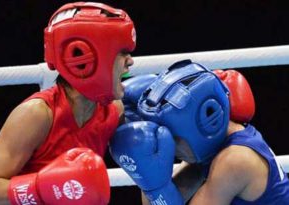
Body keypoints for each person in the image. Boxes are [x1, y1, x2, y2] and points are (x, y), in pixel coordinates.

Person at [0, 2, 136, 205]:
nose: (130, 61)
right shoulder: (37, 115)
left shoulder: (112, 111)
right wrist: (41, 188)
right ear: (86, 56)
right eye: (121, 52)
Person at [110, 60, 289, 205]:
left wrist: (156, 188)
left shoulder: (234, 160)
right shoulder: (211, 149)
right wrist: (151, 182)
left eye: (173, 138)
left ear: (201, 127)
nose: (169, 145)